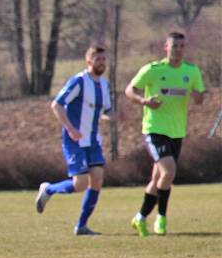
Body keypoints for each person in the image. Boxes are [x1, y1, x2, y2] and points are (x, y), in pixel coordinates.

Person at [125, 32, 205, 237]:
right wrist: (144, 101)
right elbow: (129, 90)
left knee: (158, 179)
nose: (178, 50)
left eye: (181, 46)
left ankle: (140, 217)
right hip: (154, 129)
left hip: (177, 131)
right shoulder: (153, 70)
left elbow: (199, 98)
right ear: (166, 48)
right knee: (169, 172)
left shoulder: (191, 71)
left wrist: (198, 96)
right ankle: (161, 217)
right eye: (174, 46)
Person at [35, 44, 115, 235]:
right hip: (75, 140)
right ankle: (49, 190)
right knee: (80, 184)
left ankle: (81, 226)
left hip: (93, 141)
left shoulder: (104, 85)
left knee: (97, 179)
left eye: (104, 59)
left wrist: (115, 116)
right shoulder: (78, 81)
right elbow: (57, 105)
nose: (102, 63)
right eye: (98, 59)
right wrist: (70, 129)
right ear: (89, 61)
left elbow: (104, 111)